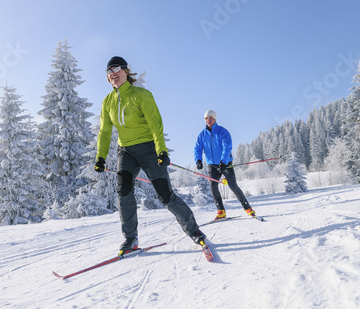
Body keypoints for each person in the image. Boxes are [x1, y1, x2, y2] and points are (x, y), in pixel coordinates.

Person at [94, 56, 206, 253]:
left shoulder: (141, 95)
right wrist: (101, 157)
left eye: (117, 68)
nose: (113, 73)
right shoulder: (108, 102)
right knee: (124, 194)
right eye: (109, 70)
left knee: (165, 195)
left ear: (126, 71)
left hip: (148, 149)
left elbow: (156, 124)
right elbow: (104, 131)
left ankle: (195, 232)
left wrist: (161, 149)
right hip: (126, 151)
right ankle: (130, 239)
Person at [194, 110, 257, 220]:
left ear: (215, 118)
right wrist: (198, 160)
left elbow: (227, 147)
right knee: (213, 186)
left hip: (225, 163)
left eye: (211, 117)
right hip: (211, 165)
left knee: (232, 185)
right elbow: (197, 149)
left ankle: (247, 208)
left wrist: (224, 161)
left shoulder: (222, 131)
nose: (208, 120)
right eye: (206, 118)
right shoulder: (202, 135)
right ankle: (221, 211)